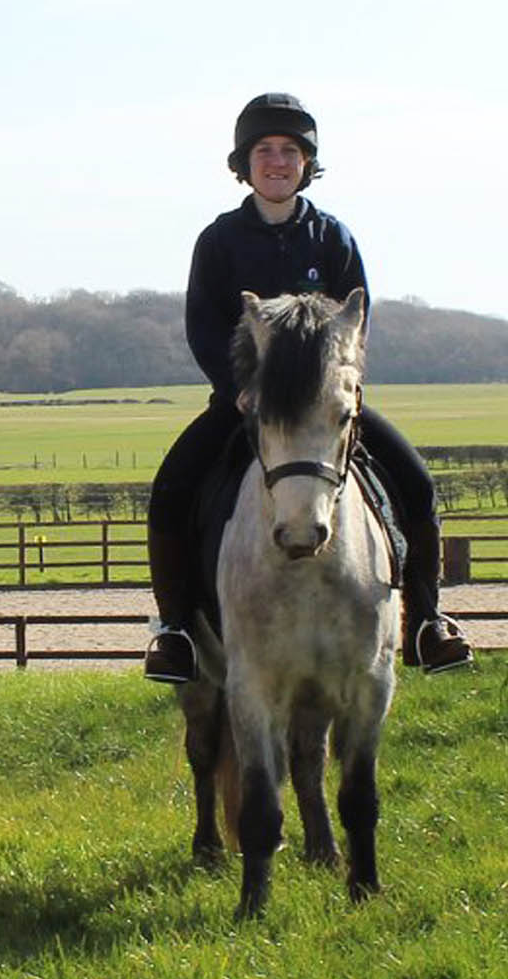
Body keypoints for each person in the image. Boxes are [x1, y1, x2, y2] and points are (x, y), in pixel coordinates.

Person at [142, 91, 472, 684]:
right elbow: (203, 323)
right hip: (246, 404)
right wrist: (240, 387)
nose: (276, 161)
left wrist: (340, 387)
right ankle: (176, 632)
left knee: (417, 486)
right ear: (243, 164)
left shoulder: (333, 237)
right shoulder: (218, 241)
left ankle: (427, 622)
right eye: (264, 150)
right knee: (170, 490)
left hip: (322, 409)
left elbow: (357, 319)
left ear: (305, 162)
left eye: (289, 151)